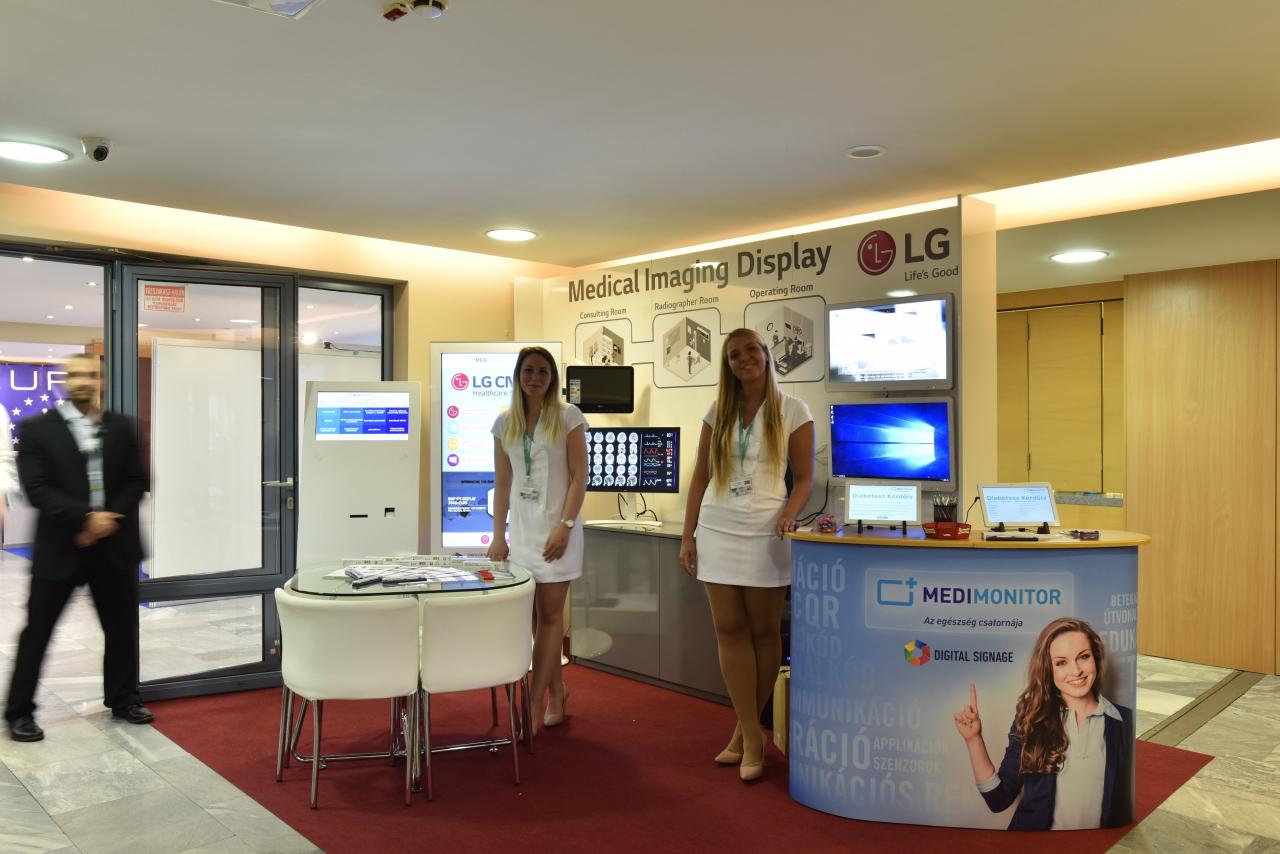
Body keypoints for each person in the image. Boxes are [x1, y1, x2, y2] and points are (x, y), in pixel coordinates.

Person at [680, 328, 815, 782]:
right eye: (734, 354)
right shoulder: (717, 410)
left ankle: (745, 731)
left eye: (750, 350)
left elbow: (804, 481)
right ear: (728, 365)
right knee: (729, 630)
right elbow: (700, 477)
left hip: (766, 532)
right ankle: (753, 736)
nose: (744, 359)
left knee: (763, 633)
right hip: (717, 529)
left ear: (765, 354)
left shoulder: (793, 409)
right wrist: (687, 536)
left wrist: (791, 514)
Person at [4, 354, 152, 742]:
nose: (83, 381)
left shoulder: (122, 426)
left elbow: (136, 480)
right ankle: (19, 712)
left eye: (91, 375)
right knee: (38, 632)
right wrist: (86, 519)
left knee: (121, 630)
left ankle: (124, 699)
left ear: (101, 380)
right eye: (75, 375)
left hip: (114, 548)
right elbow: (37, 489)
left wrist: (106, 520)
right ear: (64, 382)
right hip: (61, 548)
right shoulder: (37, 429)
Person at [487, 347, 587, 735]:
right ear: (518, 375)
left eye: (543, 372)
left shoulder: (568, 416)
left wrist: (565, 525)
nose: (535, 378)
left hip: (558, 532)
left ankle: (532, 701)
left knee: (550, 618)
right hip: (523, 534)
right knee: (533, 621)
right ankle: (558, 692)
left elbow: (579, 477)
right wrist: (499, 535)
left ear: (552, 378)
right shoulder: (505, 423)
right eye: (529, 370)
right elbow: (502, 483)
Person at [953, 617, 1135, 830]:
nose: (1076, 671)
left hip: (1095, 844)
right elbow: (998, 800)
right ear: (1048, 669)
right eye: (1061, 662)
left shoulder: (1123, 721)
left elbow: (1122, 807)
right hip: (1037, 844)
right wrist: (973, 740)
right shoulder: (1031, 719)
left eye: (1083, 657)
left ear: (1095, 658)